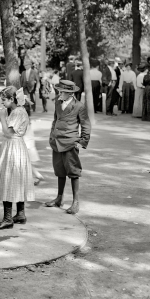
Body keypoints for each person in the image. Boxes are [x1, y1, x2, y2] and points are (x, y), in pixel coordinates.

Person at [45, 80, 91, 215]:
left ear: (69, 93)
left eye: (61, 92)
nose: (59, 94)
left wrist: (82, 142)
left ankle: (75, 202)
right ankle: (59, 198)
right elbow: (55, 120)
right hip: (57, 142)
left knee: (73, 172)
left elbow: (86, 125)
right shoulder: (58, 103)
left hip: (70, 143)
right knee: (60, 171)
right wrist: (52, 135)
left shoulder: (79, 106)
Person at [0, 87, 35, 229]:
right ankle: (20, 213)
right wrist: (3, 114)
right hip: (15, 146)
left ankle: (7, 218)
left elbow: (8, 132)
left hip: (13, 146)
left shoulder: (18, 112)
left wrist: (1, 118)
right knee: (17, 180)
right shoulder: (15, 110)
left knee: (9, 179)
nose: (2, 102)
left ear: (12, 99)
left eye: (4, 100)